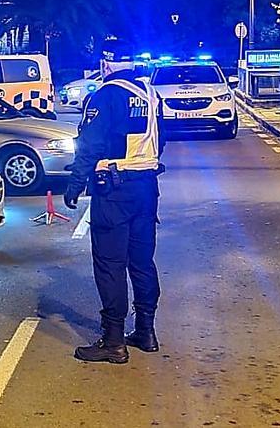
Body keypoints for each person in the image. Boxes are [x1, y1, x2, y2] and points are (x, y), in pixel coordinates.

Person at [64, 37, 165, 364]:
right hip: (147, 188)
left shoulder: (106, 95)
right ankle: (146, 332)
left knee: (110, 264)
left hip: (114, 191)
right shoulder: (150, 93)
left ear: (106, 63)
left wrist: (75, 184)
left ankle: (113, 341)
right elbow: (161, 140)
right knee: (142, 261)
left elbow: (89, 145)